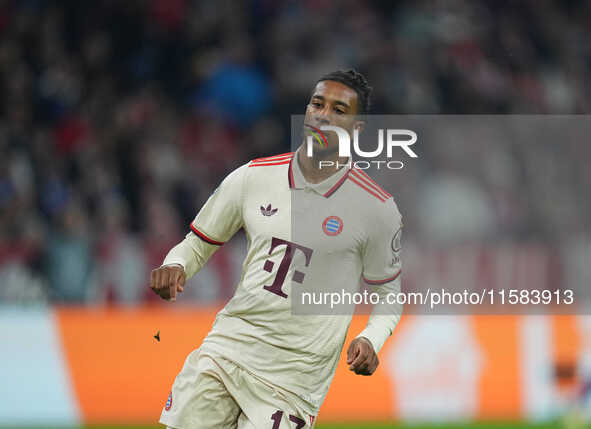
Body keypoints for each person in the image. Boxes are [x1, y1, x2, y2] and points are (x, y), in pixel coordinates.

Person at [151, 70, 403, 428]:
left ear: (357, 129)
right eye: (317, 104)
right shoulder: (253, 177)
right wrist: (175, 264)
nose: (324, 115)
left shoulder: (376, 209)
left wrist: (371, 339)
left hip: (293, 382)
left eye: (339, 109)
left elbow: (388, 295)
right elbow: (196, 244)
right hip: (227, 352)